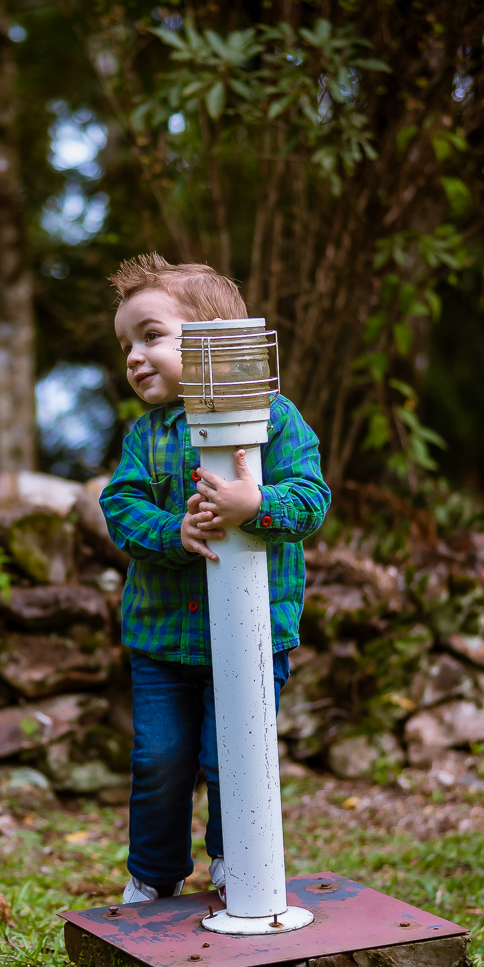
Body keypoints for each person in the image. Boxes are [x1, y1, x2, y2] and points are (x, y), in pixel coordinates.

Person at [100, 253, 331, 904]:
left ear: (214, 342)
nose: (134, 357)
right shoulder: (144, 437)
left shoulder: (273, 419)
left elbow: (310, 499)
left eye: (151, 335)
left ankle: (236, 859)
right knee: (158, 762)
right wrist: (173, 531)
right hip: (162, 641)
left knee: (235, 758)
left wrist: (254, 506)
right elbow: (119, 508)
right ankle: (153, 874)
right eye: (126, 344)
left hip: (257, 631)